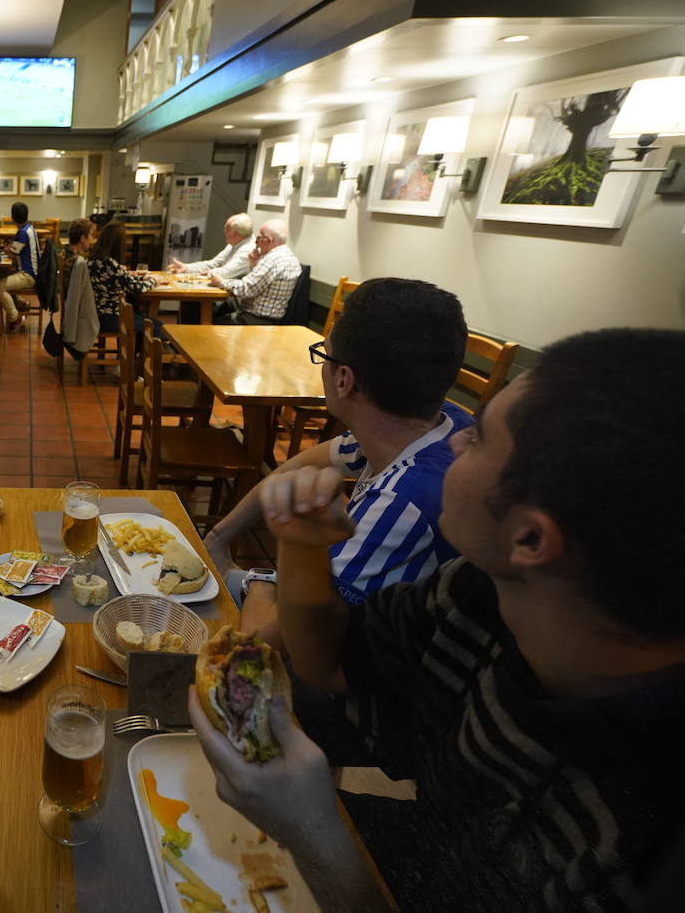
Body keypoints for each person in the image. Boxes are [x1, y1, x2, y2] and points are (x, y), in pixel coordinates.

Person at [191, 327, 685, 913]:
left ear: (530, 537)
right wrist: (301, 548)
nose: (451, 443)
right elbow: (327, 664)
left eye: (477, 439)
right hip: (440, 845)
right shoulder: (477, 591)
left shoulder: (643, 841)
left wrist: (313, 829)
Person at [204, 278, 472, 642]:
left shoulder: (400, 505)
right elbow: (310, 460)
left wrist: (254, 581)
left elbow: (275, 639)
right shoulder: (443, 421)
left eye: (323, 355)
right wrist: (220, 536)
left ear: (344, 379)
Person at [209, 218, 301, 324]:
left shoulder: (271, 260)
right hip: (271, 319)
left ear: (268, 240)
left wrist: (221, 282)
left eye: (258, 238)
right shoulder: (290, 257)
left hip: (255, 320)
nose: (256, 243)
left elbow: (247, 289)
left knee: (209, 322)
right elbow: (260, 285)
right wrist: (254, 264)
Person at [86, 220, 167, 339]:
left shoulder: (93, 260)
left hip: (97, 314)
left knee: (143, 318)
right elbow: (136, 288)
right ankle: (150, 356)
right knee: (157, 326)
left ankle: (138, 356)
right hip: (110, 317)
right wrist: (154, 281)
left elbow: (121, 279)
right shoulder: (109, 264)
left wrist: (142, 277)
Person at [168, 213, 253, 281]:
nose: (224, 231)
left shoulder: (247, 250)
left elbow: (226, 273)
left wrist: (197, 274)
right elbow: (214, 264)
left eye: (227, 229)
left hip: (232, 300)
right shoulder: (235, 243)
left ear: (236, 234)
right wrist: (187, 268)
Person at [0, 201, 37, 331]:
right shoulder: (30, 228)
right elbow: (16, 250)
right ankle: (19, 302)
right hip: (33, 272)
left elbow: (13, 254)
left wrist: (7, 249)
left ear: (12, 218)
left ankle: (15, 318)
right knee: (6, 275)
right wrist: (10, 249)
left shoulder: (22, 233)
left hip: (28, 275)